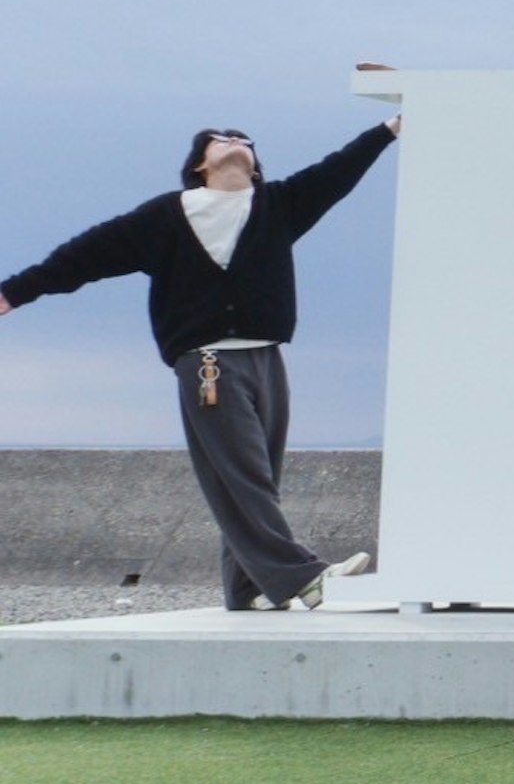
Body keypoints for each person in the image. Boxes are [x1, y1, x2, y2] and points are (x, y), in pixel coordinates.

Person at [0, 105, 401, 612]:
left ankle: (247, 587)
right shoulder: (163, 217)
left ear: (254, 164)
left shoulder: (278, 204)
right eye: (219, 137)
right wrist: (13, 292)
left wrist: (392, 126)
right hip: (207, 362)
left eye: (243, 138)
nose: (234, 139)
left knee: (259, 472)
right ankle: (305, 578)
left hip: (267, 358)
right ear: (199, 164)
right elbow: (83, 256)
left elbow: (340, 168)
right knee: (242, 474)